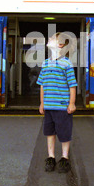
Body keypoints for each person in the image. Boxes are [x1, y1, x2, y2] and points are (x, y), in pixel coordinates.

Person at [37, 32, 77, 173]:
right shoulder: (45, 63)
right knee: (50, 132)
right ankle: (51, 156)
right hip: (49, 106)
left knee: (64, 133)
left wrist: (71, 103)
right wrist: (42, 103)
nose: (49, 39)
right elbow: (41, 84)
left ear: (60, 45)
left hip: (62, 106)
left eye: (52, 38)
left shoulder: (66, 63)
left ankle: (65, 158)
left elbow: (72, 85)